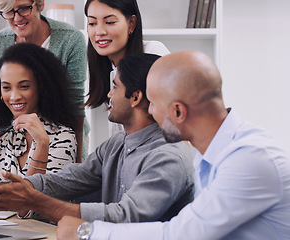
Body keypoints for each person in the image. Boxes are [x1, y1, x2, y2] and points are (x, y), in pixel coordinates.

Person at [56, 50, 290, 240]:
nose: (149, 111)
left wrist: (86, 231)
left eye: (154, 103)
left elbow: (179, 234)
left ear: (178, 111)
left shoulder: (249, 159)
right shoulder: (208, 153)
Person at [0, 53, 195, 224]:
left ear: (136, 97)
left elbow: (125, 216)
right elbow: (69, 179)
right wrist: (18, 187)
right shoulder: (117, 143)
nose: (108, 95)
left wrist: (33, 199)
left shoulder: (167, 157)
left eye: (115, 87)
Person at [0, 0, 87, 162]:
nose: (17, 18)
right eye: (9, 11)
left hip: (60, 138)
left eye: (24, 8)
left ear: (40, 4)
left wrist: (78, 163)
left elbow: (75, 106)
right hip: (8, 141)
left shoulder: (70, 39)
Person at [0, 43, 77, 183]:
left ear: (42, 87)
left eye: (24, 86)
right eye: (6, 87)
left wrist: (42, 143)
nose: (14, 97)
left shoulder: (63, 137)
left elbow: (37, 198)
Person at [84, 0, 170, 136]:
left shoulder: (153, 54)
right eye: (92, 23)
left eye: (110, 22)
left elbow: (174, 123)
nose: (99, 32)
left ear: (131, 24)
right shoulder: (104, 66)